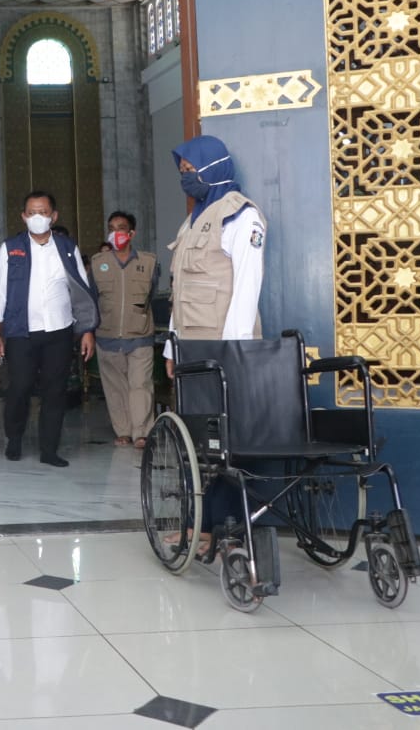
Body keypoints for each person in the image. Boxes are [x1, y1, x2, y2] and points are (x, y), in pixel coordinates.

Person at [166, 134, 267, 550]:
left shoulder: (241, 215)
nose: (186, 178)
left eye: (191, 170)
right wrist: (171, 347)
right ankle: (200, 525)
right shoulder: (192, 221)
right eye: (182, 172)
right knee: (198, 445)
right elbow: (181, 289)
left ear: (213, 167)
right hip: (191, 349)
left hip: (224, 351)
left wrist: (234, 350)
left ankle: (224, 527)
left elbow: (247, 287)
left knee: (225, 444)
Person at [0, 191, 99, 468]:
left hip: (59, 331)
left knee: (55, 391)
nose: (37, 217)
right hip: (21, 332)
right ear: (23, 216)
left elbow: (82, 290)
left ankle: (49, 449)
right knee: (20, 387)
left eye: (43, 212)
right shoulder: (11, 247)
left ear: (54, 216)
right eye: (32, 212)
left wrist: (87, 330)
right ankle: (14, 438)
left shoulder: (67, 247)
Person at [90, 211, 159, 449]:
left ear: (131, 233)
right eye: (111, 228)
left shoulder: (148, 262)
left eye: (121, 228)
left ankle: (142, 432)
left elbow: (151, 294)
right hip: (107, 335)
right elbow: (92, 299)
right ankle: (124, 431)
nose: (115, 233)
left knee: (140, 385)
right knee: (115, 388)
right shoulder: (98, 263)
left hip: (140, 334)